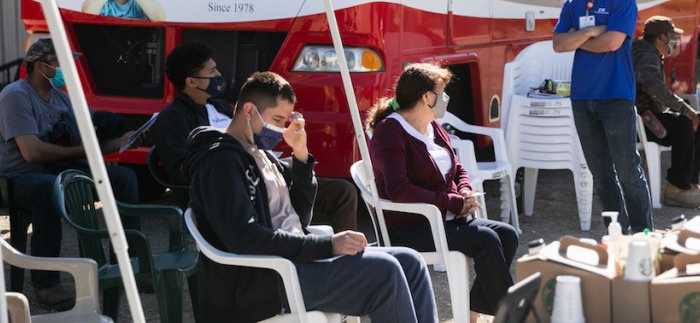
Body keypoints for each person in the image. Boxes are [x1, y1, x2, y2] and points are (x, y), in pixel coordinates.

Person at [183, 71, 436, 323]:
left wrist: (301, 155)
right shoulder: (221, 162)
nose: (280, 129)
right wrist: (327, 245)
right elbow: (244, 237)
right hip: (263, 280)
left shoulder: (261, 154)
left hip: (295, 263)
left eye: (284, 121)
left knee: (410, 262)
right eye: (277, 119)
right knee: (385, 273)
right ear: (249, 110)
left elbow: (299, 217)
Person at [0, 38, 140, 309]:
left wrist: (124, 141)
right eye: (61, 64)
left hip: (56, 171)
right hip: (16, 179)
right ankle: (46, 284)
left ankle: (127, 265)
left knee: (123, 179)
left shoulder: (62, 98)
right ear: (40, 66)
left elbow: (88, 143)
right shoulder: (16, 96)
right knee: (49, 188)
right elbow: (31, 152)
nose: (68, 69)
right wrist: (81, 150)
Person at [367, 63, 518, 321]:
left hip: (443, 219)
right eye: (442, 92)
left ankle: (473, 311)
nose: (446, 98)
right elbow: (399, 190)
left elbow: (457, 168)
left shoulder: (432, 126)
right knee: (486, 239)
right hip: (409, 226)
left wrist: (465, 191)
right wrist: (453, 202)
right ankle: (512, 316)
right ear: (426, 96)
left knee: (507, 234)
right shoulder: (390, 132)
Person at [156, 42, 359, 230]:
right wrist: (238, 166)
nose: (219, 75)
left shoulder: (220, 106)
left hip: (266, 174)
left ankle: (345, 250)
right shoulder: (172, 118)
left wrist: (292, 157)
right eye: (212, 71)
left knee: (342, 190)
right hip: (238, 187)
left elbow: (249, 139)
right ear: (191, 81)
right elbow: (179, 169)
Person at [553, 0, 653, 232]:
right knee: (601, 174)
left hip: (615, 96)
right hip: (582, 98)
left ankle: (644, 235)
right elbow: (558, 44)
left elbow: (611, 43)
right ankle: (617, 234)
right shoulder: (573, 2)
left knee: (627, 170)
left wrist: (577, 39)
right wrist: (589, 32)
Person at [632, 16, 700, 208]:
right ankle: (676, 189)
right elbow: (654, 87)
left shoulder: (646, 50)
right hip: (637, 122)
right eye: (671, 36)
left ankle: (689, 184)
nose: (675, 41)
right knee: (685, 125)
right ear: (661, 37)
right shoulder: (646, 56)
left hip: (645, 118)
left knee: (699, 121)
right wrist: (684, 109)